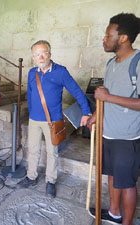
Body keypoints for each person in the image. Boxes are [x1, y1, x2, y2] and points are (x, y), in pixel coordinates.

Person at [17, 40, 91, 197]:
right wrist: (31, 113)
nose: (41, 57)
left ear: (50, 54)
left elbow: (77, 92)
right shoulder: (32, 73)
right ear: (33, 58)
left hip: (53, 121)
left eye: (44, 53)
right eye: (37, 54)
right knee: (33, 150)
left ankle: (50, 181)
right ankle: (31, 176)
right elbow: (30, 95)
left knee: (52, 152)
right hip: (34, 120)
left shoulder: (61, 72)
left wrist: (86, 111)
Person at [87, 13, 140, 225]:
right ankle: (115, 213)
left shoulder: (137, 62)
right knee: (111, 174)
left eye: (109, 34)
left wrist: (107, 96)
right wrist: (95, 116)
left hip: (127, 137)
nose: (104, 38)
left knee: (126, 182)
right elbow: (105, 97)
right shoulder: (111, 63)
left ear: (124, 38)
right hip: (107, 132)